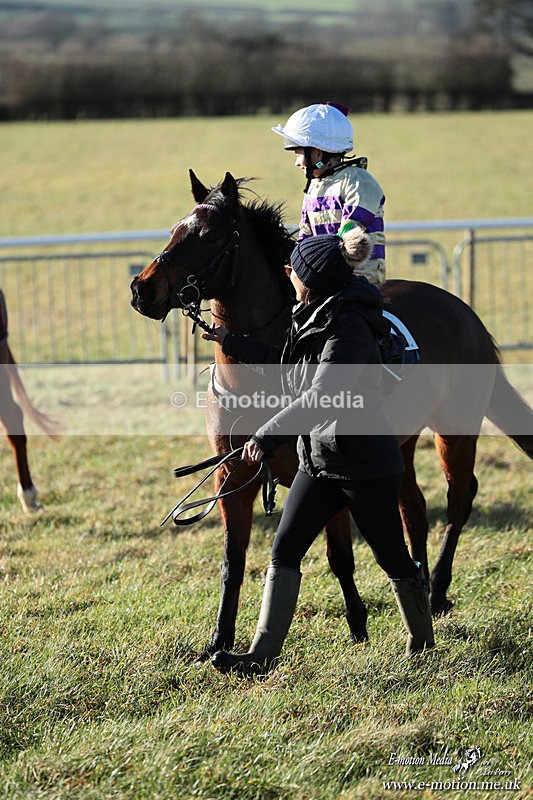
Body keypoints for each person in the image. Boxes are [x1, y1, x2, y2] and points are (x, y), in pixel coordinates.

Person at [202, 228, 434, 676]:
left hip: (363, 466)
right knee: (285, 550)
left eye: (294, 268)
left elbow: (324, 397)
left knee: (392, 559)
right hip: (319, 461)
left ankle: (421, 646)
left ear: (311, 278)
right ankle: (261, 657)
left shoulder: (348, 327)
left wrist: (266, 436)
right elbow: (283, 361)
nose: (286, 271)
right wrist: (228, 341)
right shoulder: (311, 313)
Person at [271, 101, 386, 288]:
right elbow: (306, 236)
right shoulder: (314, 187)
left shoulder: (359, 181)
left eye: (298, 154)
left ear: (317, 154)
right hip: (323, 276)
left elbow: (347, 234)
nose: (296, 163)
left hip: (359, 278)